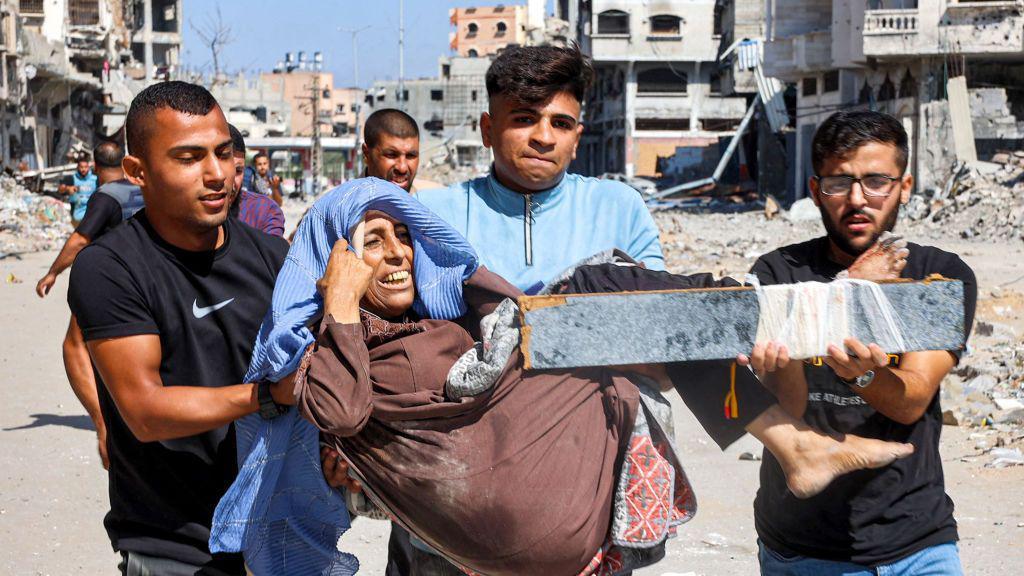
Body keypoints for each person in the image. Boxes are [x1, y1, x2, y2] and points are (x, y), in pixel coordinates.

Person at [215, 179, 915, 576]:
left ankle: (795, 433)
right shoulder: (331, 347)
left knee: (635, 308)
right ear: (336, 260)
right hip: (487, 538)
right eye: (372, 243)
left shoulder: (434, 320)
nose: (396, 255)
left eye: (404, 237)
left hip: (560, 519)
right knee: (598, 284)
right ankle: (793, 320)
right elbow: (337, 414)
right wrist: (338, 305)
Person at [67, 81, 292, 575]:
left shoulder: (274, 258)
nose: (217, 175)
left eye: (223, 152)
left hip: (278, 534)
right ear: (137, 172)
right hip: (174, 544)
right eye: (189, 158)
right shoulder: (110, 268)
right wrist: (270, 395)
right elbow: (145, 412)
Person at [745, 110, 977, 575]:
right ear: (815, 191)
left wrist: (864, 373)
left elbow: (911, 401)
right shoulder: (777, 273)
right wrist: (849, 287)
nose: (857, 200)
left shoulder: (939, 276)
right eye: (838, 183)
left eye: (876, 182)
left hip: (916, 541)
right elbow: (788, 406)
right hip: (802, 547)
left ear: (904, 187)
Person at [417, 44, 663, 294]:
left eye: (561, 124)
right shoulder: (432, 215)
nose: (545, 138)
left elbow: (658, 307)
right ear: (487, 130)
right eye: (524, 119)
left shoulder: (620, 209)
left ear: (576, 140)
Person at [37, 137, 142, 470]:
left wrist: (52, 272)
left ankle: (103, 423)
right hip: (155, 280)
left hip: (114, 282)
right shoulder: (144, 188)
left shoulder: (106, 196)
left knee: (74, 345)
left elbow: (81, 238)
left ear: (96, 168)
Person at [227, 124, 285, 236]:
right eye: (259, 164)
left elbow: (278, 203)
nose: (262, 167)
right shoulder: (250, 177)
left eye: (265, 163)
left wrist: (274, 188)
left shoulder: (272, 179)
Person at [362, 108, 421, 192]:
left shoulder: (429, 202)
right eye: (391, 155)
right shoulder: (343, 202)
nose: (402, 168)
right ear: (367, 154)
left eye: (410, 156)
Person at [59, 155, 99, 225]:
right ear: (77, 167)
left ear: (89, 167)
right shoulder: (71, 179)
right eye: (81, 167)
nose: (83, 169)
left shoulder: (96, 179)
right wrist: (67, 188)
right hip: (76, 217)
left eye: (85, 167)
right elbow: (60, 189)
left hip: (91, 216)